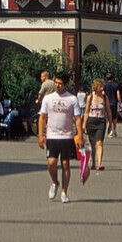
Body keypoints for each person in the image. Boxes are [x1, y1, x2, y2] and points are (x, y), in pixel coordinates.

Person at [38, 71, 84, 204]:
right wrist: (41, 135)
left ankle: (64, 191)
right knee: (51, 163)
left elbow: (77, 118)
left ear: (66, 85)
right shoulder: (48, 98)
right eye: (56, 83)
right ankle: (54, 182)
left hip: (67, 136)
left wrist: (80, 135)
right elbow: (42, 117)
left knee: (65, 164)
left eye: (60, 84)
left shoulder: (72, 99)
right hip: (52, 136)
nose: (57, 86)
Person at [84, 79, 112, 170]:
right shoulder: (90, 97)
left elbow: (108, 110)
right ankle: (93, 163)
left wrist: (110, 124)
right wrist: (84, 124)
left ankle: (99, 163)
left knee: (99, 142)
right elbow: (86, 111)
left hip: (101, 121)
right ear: (96, 87)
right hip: (91, 121)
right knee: (92, 144)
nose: (102, 88)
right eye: (100, 87)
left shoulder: (104, 97)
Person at [104, 72, 122, 137]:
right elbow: (118, 94)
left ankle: (110, 130)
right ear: (112, 78)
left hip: (107, 103)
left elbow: (103, 94)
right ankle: (114, 130)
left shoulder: (105, 86)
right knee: (114, 117)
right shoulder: (116, 85)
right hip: (114, 103)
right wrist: (120, 102)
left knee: (109, 118)